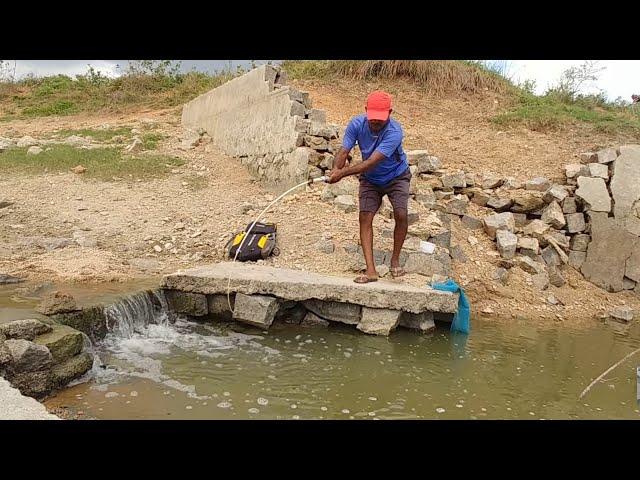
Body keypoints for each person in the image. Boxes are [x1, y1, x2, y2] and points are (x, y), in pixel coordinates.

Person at [328, 90, 411, 283]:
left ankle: (395, 260)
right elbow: (344, 150)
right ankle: (371, 271)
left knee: (401, 214)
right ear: (366, 111)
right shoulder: (356, 124)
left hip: (396, 176)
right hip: (370, 180)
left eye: (380, 119)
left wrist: (343, 173)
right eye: (372, 118)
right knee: (365, 217)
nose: (376, 122)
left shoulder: (394, 132)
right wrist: (335, 169)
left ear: (390, 113)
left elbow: (372, 162)